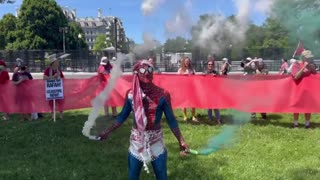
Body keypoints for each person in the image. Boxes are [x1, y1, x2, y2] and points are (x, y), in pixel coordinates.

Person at [97, 60, 189, 180]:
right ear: (136, 74)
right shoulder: (131, 95)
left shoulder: (162, 94)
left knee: (162, 176)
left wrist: (181, 140)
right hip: (137, 142)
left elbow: (171, 120)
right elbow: (122, 117)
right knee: (133, 176)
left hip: (156, 142)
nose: (146, 73)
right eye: (142, 70)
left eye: (150, 69)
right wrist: (107, 131)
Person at [291, 50, 317, 128]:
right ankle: (296, 124)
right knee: (297, 106)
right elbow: (296, 77)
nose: (310, 60)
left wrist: (313, 70)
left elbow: (315, 76)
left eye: (310, 58)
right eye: (308, 58)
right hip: (298, 89)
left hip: (308, 90)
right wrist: (303, 67)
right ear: (303, 58)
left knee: (308, 106)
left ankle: (307, 124)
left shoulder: (311, 65)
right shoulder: (296, 64)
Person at [43, 54, 65, 120]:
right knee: (51, 102)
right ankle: (53, 115)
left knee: (60, 102)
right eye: (56, 62)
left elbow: (63, 78)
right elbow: (44, 78)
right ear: (53, 63)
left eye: (58, 62)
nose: (58, 63)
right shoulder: (48, 70)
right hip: (51, 89)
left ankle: (61, 115)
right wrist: (53, 77)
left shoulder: (59, 70)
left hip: (58, 89)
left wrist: (59, 77)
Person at [177, 57, 198, 122]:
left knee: (193, 102)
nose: (187, 62)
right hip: (183, 88)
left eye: (188, 61)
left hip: (191, 88)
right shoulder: (180, 70)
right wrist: (183, 75)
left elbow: (195, 78)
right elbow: (177, 78)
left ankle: (193, 116)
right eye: (186, 61)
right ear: (184, 62)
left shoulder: (192, 69)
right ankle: (185, 116)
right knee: (184, 103)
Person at [203, 60, 221, 124]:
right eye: (209, 64)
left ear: (213, 65)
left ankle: (218, 119)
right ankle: (210, 119)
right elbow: (202, 82)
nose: (210, 65)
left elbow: (220, 81)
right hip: (208, 92)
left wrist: (216, 77)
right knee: (209, 107)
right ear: (207, 65)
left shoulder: (216, 72)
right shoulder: (205, 73)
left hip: (215, 92)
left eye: (211, 64)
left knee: (216, 106)